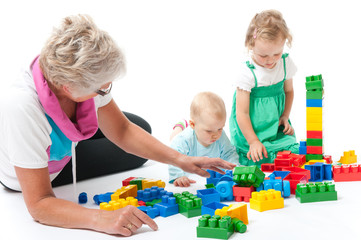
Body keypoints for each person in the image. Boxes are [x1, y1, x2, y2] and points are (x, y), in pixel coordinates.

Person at [0, 15, 235, 237]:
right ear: (69, 88)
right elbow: (40, 204)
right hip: (35, 170)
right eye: (101, 89)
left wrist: (180, 159)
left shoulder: (72, 74)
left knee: (140, 125)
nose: (105, 92)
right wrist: (101, 218)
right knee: (132, 154)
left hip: (64, 141)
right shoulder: (21, 107)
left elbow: (123, 130)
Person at [229, 9, 299, 167]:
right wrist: (253, 141)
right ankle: (253, 144)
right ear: (250, 45)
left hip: (274, 123)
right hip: (251, 127)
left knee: (290, 151)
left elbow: (289, 91)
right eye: (263, 55)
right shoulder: (247, 73)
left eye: (277, 53)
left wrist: (285, 116)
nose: (270, 60)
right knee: (258, 154)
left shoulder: (285, 64)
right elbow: (242, 113)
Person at [169, 92, 240, 187]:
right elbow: (174, 155)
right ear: (193, 125)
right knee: (174, 138)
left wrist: (234, 167)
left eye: (220, 128)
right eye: (209, 131)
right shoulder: (185, 139)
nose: (215, 135)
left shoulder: (220, 135)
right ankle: (180, 126)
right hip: (181, 139)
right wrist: (178, 176)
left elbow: (229, 153)